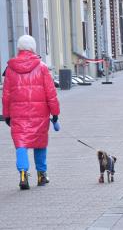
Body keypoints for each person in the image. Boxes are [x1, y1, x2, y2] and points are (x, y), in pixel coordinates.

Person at [2, 35, 60, 190]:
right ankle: (41, 174)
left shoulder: (10, 69)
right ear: (33, 48)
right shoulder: (42, 67)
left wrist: (7, 115)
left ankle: (22, 174)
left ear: (19, 49)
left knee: (21, 144)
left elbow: (6, 95)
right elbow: (51, 92)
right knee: (40, 143)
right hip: (39, 113)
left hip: (18, 114)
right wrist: (55, 114)